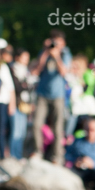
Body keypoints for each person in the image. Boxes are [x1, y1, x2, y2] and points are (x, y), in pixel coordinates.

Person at [31, 30, 71, 164]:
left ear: (63, 43)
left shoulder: (65, 53)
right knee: (37, 124)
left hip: (58, 95)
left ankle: (57, 156)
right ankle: (38, 151)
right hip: (42, 94)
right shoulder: (45, 52)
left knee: (58, 127)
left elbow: (64, 72)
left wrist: (57, 56)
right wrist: (45, 52)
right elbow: (37, 70)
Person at [65, 118, 95, 190]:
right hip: (79, 170)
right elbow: (67, 155)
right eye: (87, 129)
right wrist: (75, 161)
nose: (89, 133)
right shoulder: (77, 141)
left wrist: (92, 164)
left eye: (92, 130)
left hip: (94, 172)